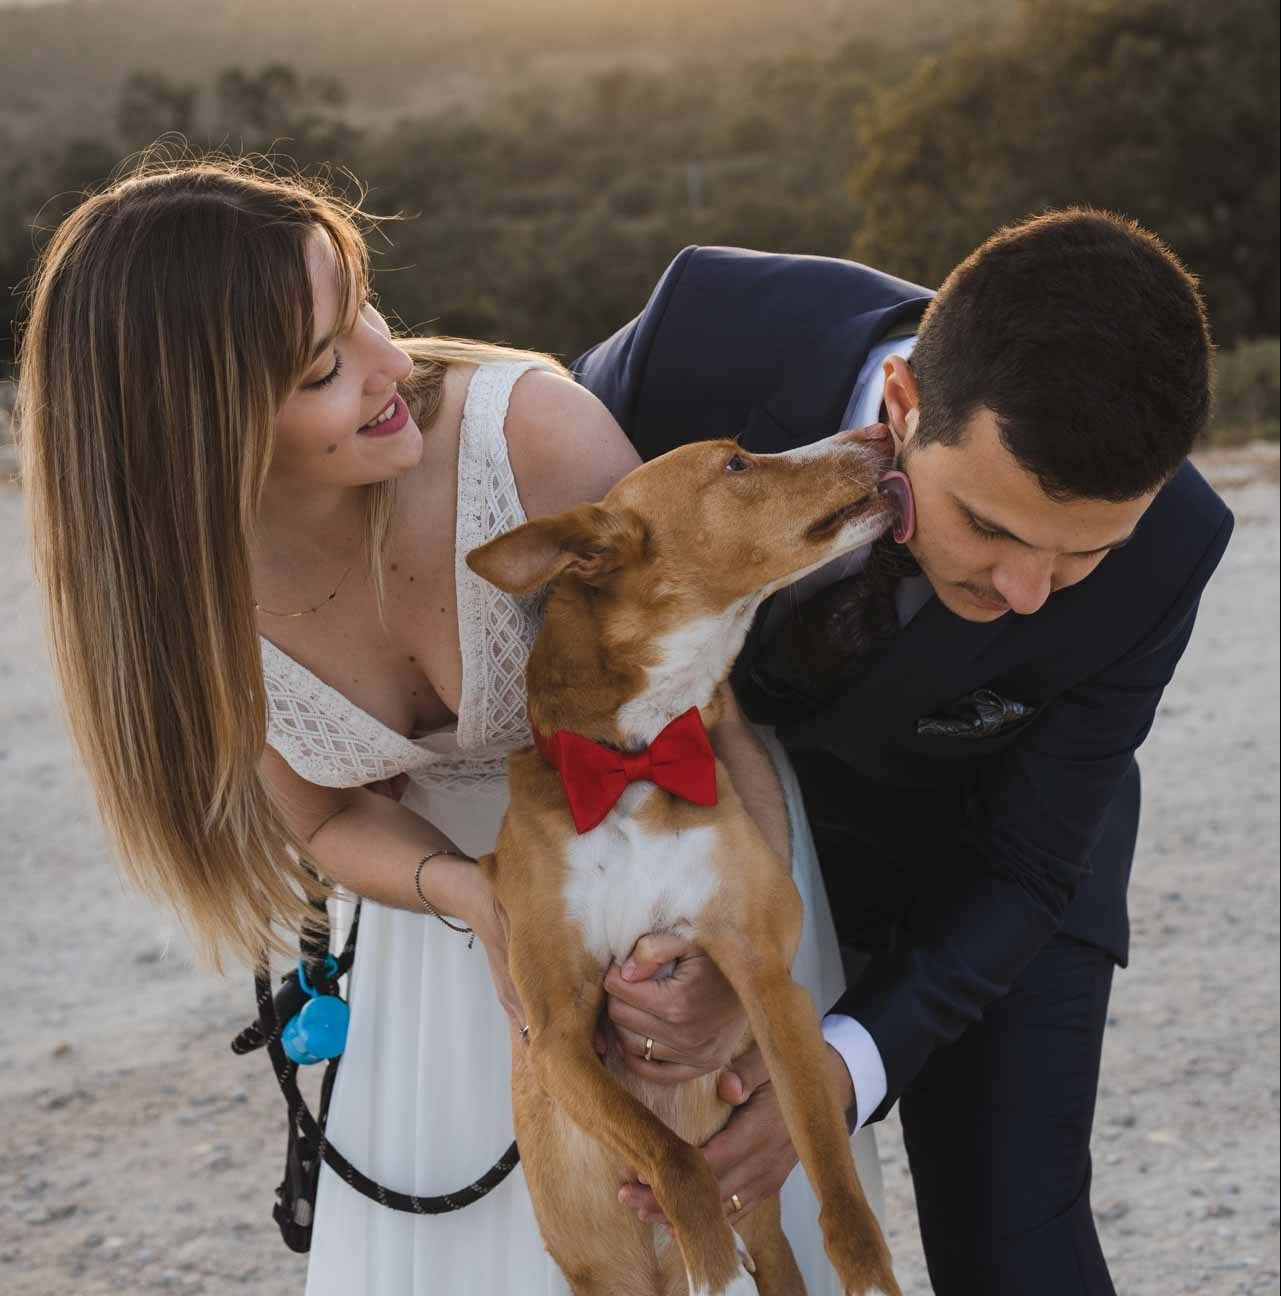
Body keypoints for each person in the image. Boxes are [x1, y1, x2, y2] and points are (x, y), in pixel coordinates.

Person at [16, 153, 884, 1295]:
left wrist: (729, 972)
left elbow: (713, 716)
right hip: (453, 962)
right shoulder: (192, 603)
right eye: (327, 364)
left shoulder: (533, 441)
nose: (391, 362)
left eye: (364, 303)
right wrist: (481, 904)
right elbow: (324, 818)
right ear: (203, 436)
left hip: (702, 881)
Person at [574, 211, 1233, 1295]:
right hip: (702, 830)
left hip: (985, 863)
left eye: (1083, 557)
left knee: (1019, 1243)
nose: (1025, 594)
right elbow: (527, 555)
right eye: (994, 529)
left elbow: (1026, 865)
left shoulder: (1176, 546)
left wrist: (829, 1072)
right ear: (900, 408)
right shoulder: (708, 333)